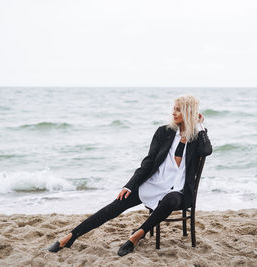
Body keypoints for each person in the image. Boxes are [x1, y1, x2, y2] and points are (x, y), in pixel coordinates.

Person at [47, 95, 212, 256]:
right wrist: (129, 185)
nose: (173, 113)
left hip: (179, 190)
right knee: (115, 206)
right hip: (155, 183)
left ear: (188, 113)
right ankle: (71, 236)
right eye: (173, 109)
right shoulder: (164, 132)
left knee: (169, 201)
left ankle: (136, 236)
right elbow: (147, 163)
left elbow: (207, 151)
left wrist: (199, 126)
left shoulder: (197, 136)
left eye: (178, 110)